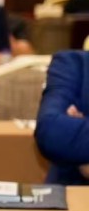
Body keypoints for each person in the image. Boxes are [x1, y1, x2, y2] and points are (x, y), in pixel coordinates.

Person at [35, 50, 89, 185]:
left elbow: (66, 138)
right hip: (74, 193)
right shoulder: (73, 64)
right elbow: (51, 132)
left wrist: (78, 142)